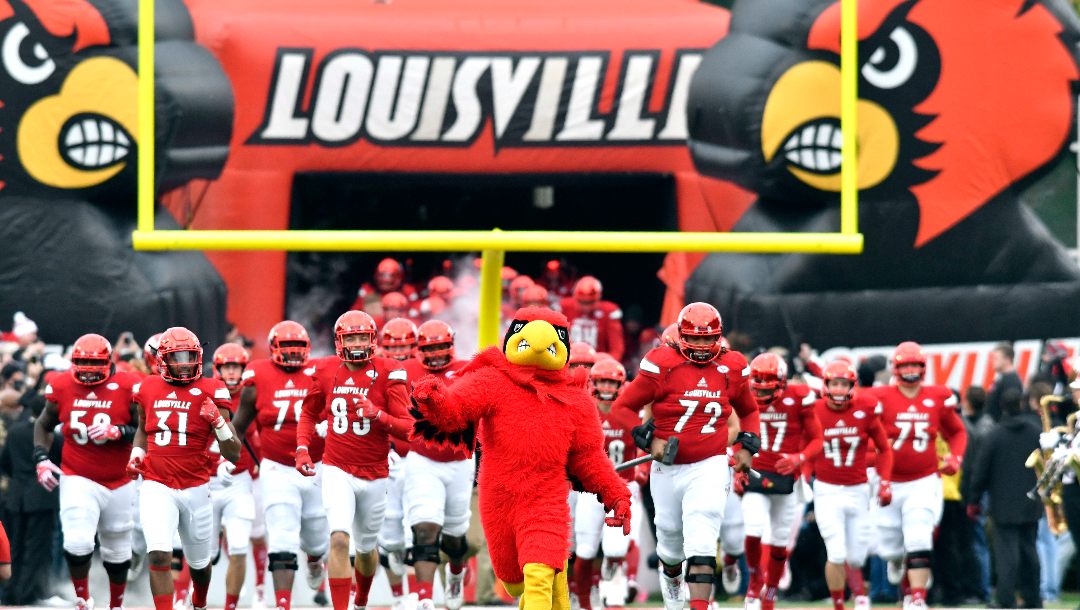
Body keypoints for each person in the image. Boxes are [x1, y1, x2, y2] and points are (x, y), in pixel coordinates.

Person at [612, 302, 761, 610]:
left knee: (703, 536)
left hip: (710, 463)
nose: (703, 346)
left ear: (718, 337)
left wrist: (747, 446)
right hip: (668, 466)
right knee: (669, 540)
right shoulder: (662, 364)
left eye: (709, 339)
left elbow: (748, 410)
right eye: (696, 338)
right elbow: (622, 408)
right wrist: (650, 440)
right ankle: (673, 584)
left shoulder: (731, 366)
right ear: (681, 336)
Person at [297, 311, 414, 610]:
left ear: (373, 339)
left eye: (363, 336)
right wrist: (302, 448)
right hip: (337, 467)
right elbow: (309, 412)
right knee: (338, 539)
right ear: (339, 341)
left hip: (375, 472)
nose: (358, 342)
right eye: (352, 337)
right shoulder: (323, 370)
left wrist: (378, 415)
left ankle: (360, 599)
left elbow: (408, 429)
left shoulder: (390, 371)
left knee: (365, 548)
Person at [127, 326, 242, 610]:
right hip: (157, 484)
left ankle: (198, 601)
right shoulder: (147, 387)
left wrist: (217, 422)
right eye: (177, 357)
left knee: (201, 565)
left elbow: (234, 452)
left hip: (196, 485)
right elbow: (143, 427)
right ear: (163, 360)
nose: (184, 363)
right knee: (159, 556)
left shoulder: (213, 389)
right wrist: (138, 452)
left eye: (188, 356)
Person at [32, 334, 140, 610]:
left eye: (94, 364)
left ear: (108, 362)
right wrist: (42, 458)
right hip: (77, 473)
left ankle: (117, 604)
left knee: (117, 549)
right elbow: (44, 424)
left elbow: (145, 427)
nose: (89, 370)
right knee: (78, 541)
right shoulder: (61, 384)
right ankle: (83, 599)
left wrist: (120, 431)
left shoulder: (128, 385)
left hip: (120, 477)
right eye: (82, 363)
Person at [232, 320, 328, 610]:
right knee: (282, 536)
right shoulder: (258, 375)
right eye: (286, 347)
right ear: (274, 348)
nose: (292, 353)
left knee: (315, 539)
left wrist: (331, 428)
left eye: (297, 347)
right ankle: (282, 604)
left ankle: (314, 559)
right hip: (276, 467)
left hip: (317, 465)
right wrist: (224, 457)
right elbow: (239, 426)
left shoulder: (321, 373)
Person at [866, 342, 966, 610]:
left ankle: (917, 597)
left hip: (923, 479)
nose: (910, 371)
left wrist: (955, 457)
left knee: (919, 537)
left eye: (914, 365)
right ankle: (898, 562)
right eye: (905, 366)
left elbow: (957, 432)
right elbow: (864, 434)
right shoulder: (879, 397)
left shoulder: (938, 396)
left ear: (923, 368)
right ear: (895, 369)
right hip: (888, 479)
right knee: (889, 548)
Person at [741, 352, 822, 610]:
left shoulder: (798, 397)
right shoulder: (743, 395)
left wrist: (799, 457)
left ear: (782, 381)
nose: (762, 394)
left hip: (787, 479)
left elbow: (817, 439)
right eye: (758, 386)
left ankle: (771, 592)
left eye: (768, 386)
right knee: (753, 531)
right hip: (755, 474)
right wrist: (736, 463)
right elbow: (732, 432)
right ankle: (755, 577)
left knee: (779, 541)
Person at [812, 360, 894, 610]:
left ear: (852, 385)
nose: (838, 389)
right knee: (835, 551)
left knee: (857, 556)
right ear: (826, 385)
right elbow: (801, 443)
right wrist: (800, 469)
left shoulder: (866, 408)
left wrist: (885, 481)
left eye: (843, 383)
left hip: (858, 489)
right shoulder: (813, 409)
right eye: (834, 383)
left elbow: (885, 449)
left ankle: (859, 592)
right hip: (826, 489)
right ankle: (840, 603)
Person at [404, 320, 472, 610]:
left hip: (459, 461)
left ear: (451, 345)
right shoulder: (406, 370)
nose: (435, 353)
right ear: (419, 349)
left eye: (441, 347)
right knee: (425, 527)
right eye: (429, 348)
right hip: (422, 459)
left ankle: (456, 569)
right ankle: (425, 598)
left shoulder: (468, 370)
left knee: (454, 536)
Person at [574, 358, 641, 610]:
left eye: (611, 382)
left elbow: (649, 442)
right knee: (585, 551)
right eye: (601, 381)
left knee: (614, 551)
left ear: (621, 384)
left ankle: (610, 586)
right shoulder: (583, 409)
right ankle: (584, 600)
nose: (606, 387)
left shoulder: (632, 411)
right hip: (590, 490)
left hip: (623, 488)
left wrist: (644, 466)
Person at [967, 389, 1042, 609]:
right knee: (1029, 550)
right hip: (1031, 500)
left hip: (1002, 503)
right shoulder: (1035, 431)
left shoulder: (995, 434)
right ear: (1023, 403)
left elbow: (980, 470)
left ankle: (1005, 599)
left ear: (1001, 405)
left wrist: (973, 499)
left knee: (1006, 553)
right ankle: (1033, 598)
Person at [209, 343, 262, 610]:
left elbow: (268, 432)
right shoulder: (202, 392)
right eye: (227, 366)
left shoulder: (251, 393)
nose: (231, 372)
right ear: (216, 368)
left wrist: (261, 464)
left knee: (240, 544)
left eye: (236, 367)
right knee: (200, 553)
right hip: (205, 480)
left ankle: (232, 604)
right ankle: (190, 597)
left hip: (240, 478)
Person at [559, 276, 625, 361]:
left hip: (597, 363)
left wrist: (606, 364)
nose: (586, 307)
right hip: (569, 360)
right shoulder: (564, 307)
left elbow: (616, 349)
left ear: (599, 297)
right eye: (582, 302)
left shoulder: (609, 312)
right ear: (574, 297)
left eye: (591, 302)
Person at [986, 343, 1023, 422]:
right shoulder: (1002, 378)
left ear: (1007, 359)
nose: (992, 361)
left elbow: (1009, 408)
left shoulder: (1011, 381)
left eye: (996, 358)